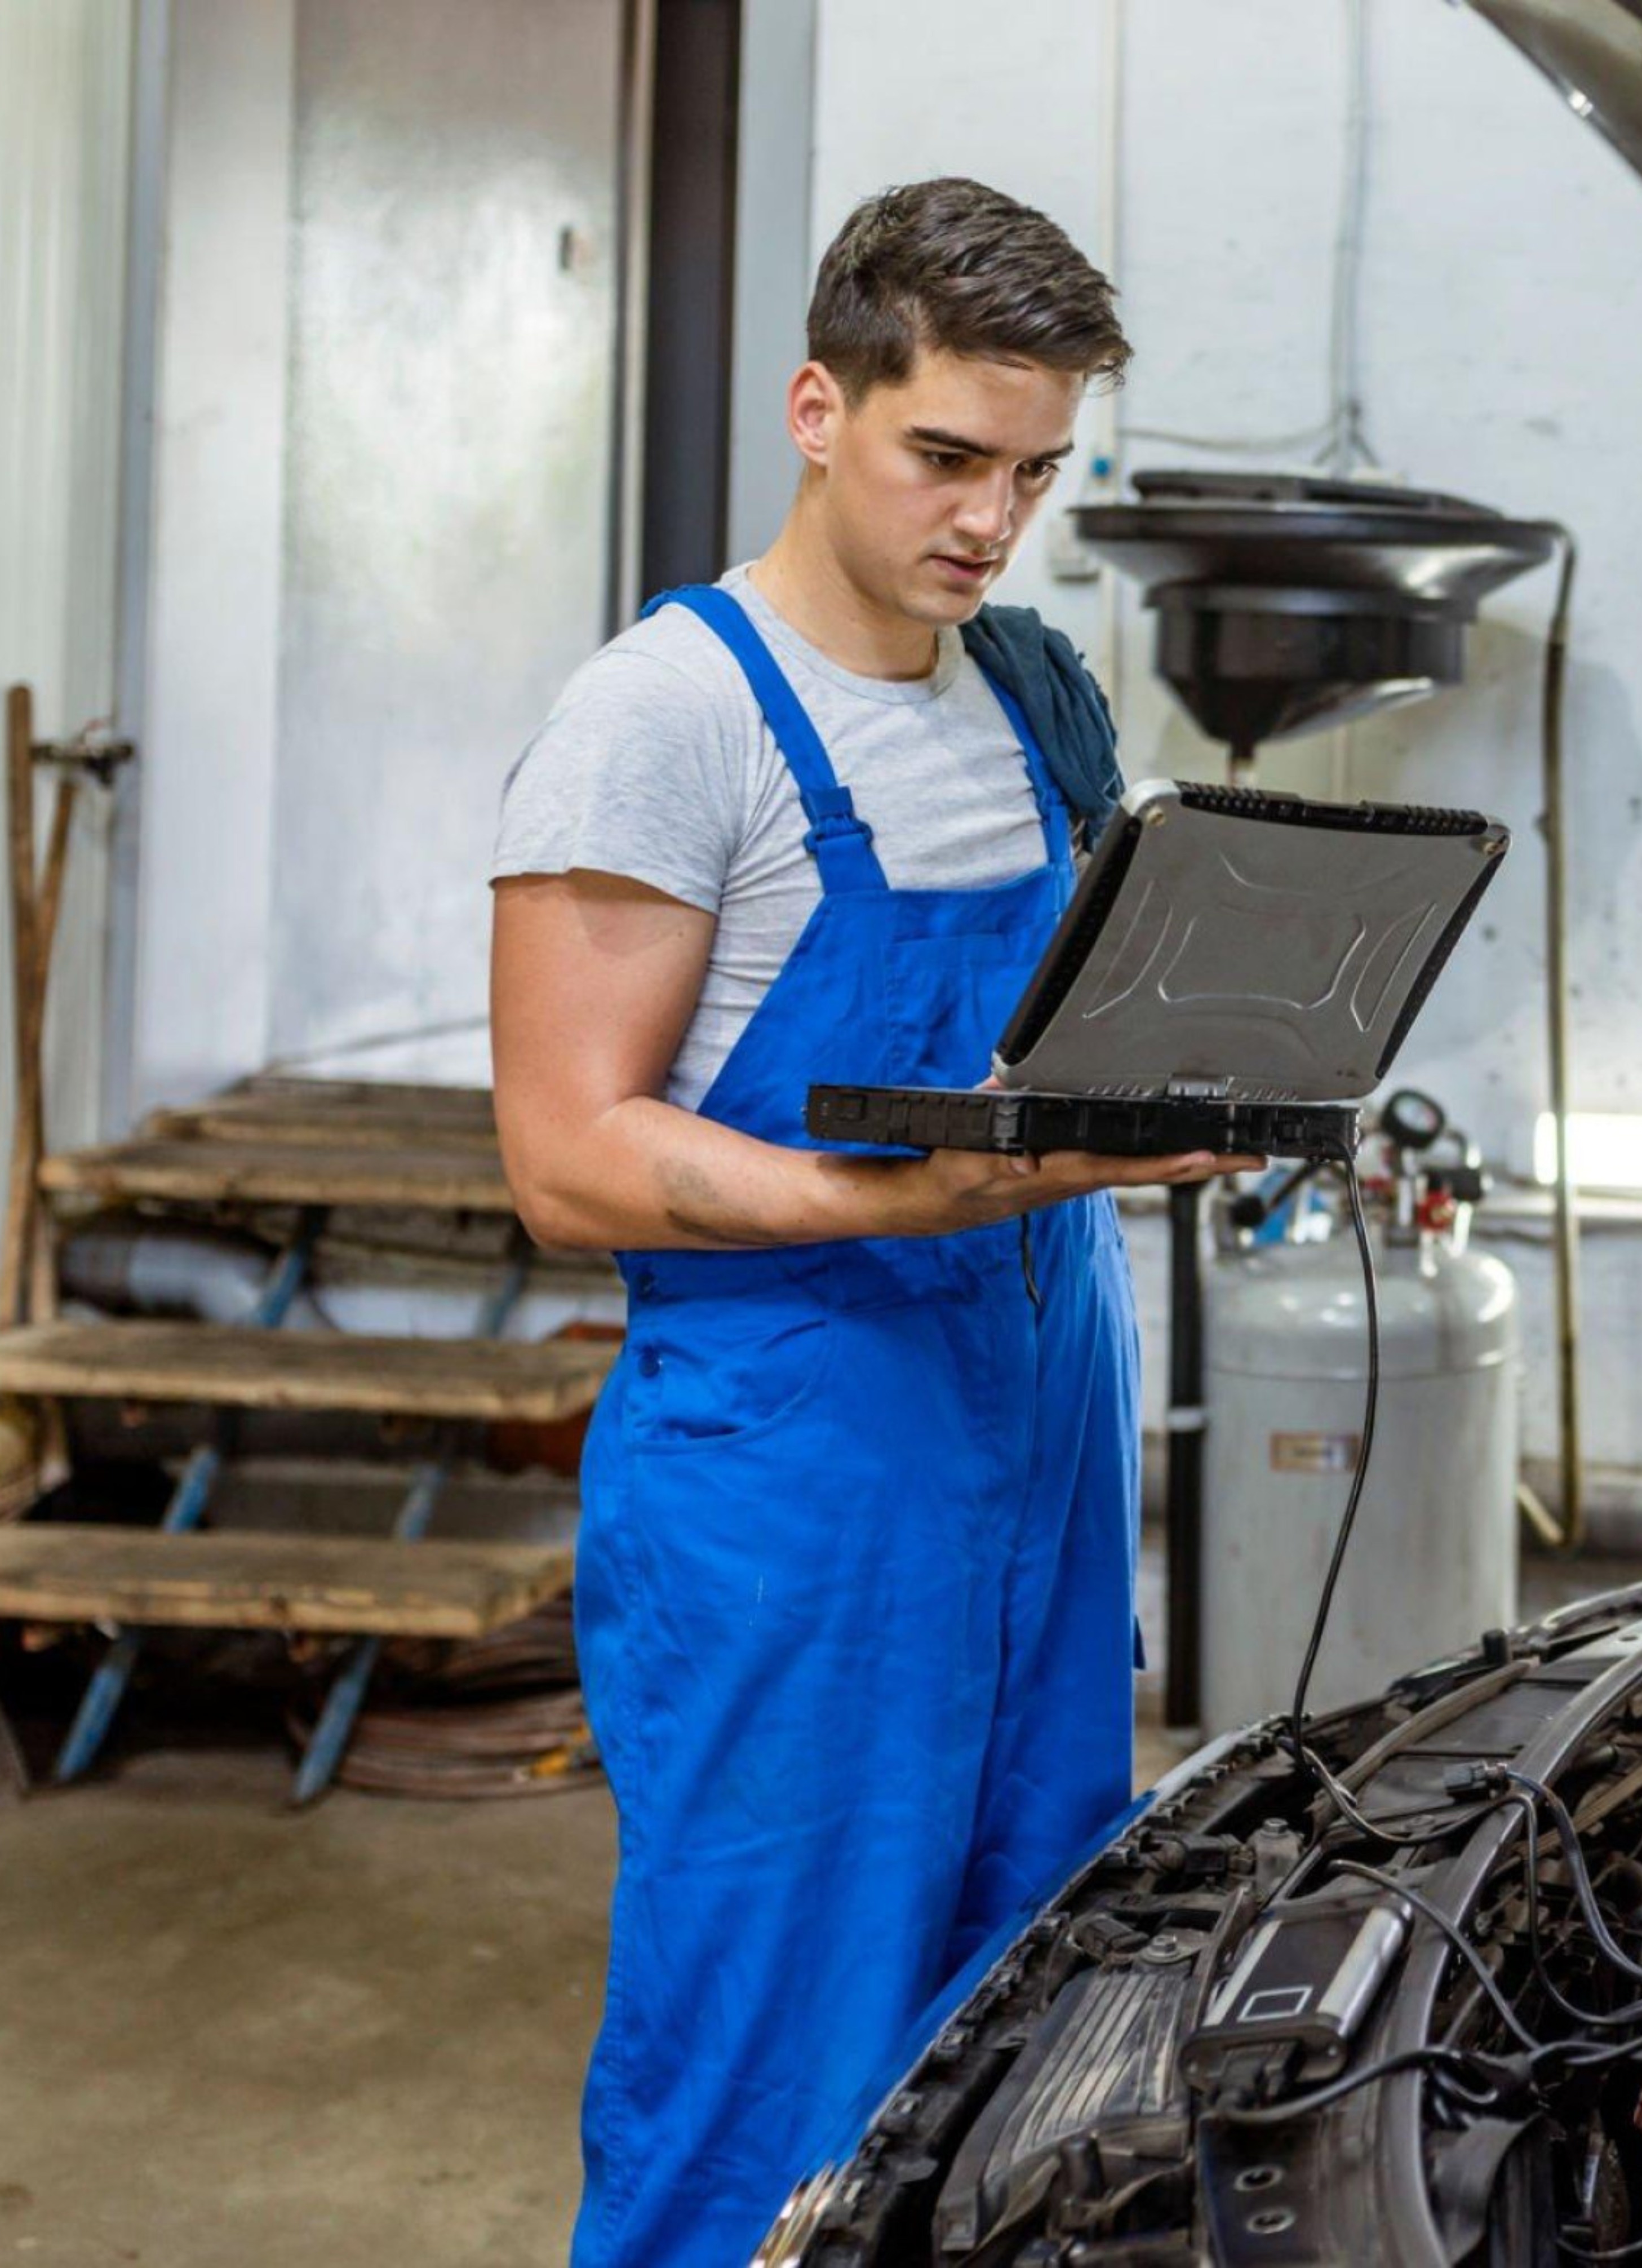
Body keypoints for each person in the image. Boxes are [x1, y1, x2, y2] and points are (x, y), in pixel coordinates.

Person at [489, 177, 1254, 2268]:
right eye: (947, 458)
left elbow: (1068, 1019)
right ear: (819, 409)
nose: (991, 522)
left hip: (1040, 1429)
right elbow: (563, 1157)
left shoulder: (1035, 691)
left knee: (1029, 2020)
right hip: (800, 1471)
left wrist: (1196, 1080)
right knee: (769, 2063)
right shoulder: (666, 723)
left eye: (1036, 472)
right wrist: (895, 1194)